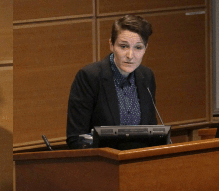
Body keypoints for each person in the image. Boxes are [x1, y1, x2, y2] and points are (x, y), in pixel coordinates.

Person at [66, 15, 157, 149]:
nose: (130, 55)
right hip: (102, 164)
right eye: (123, 46)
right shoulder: (90, 77)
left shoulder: (146, 76)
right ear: (111, 45)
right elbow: (76, 138)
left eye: (138, 47)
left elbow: (151, 132)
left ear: (145, 48)